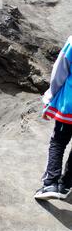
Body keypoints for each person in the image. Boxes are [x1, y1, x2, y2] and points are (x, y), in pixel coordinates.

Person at [35, 35, 72, 200]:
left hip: (70, 106)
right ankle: (67, 184)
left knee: (58, 141)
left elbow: (60, 70)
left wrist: (51, 96)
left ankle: (51, 183)